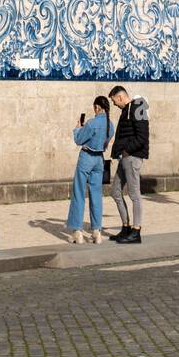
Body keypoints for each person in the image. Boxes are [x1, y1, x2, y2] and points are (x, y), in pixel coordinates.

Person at [66, 96, 114, 245]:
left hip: (87, 157)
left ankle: (78, 232)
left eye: (95, 108)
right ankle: (96, 232)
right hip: (99, 159)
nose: (94, 111)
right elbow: (105, 143)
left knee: (79, 193)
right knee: (96, 195)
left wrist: (77, 128)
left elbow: (79, 140)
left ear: (98, 107)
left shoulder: (92, 123)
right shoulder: (110, 125)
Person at [108, 85, 150, 244]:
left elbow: (142, 137)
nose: (114, 104)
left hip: (132, 157)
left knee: (134, 195)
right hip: (124, 157)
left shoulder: (137, 106)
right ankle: (126, 227)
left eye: (114, 101)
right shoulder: (127, 110)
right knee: (115, 191)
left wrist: (127, 151)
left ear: (119, 97)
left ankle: (136, 231)